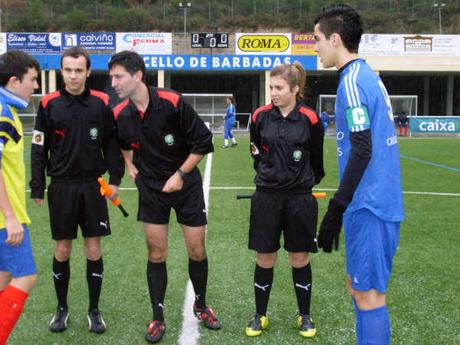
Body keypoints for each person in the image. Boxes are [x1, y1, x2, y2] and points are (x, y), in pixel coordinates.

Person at [108, 51, 221, 343]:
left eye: (118, 76)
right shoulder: (121, 114)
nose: (114, 82)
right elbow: (121, 142)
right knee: (156, 253)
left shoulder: (172, 102)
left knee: (196, 250)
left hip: (186, 185)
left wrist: (180, 175)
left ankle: (200, 304)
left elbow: (203, 142)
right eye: (111, 77)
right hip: (152, 189)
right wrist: (130, 165)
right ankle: (157, 317)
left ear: (137, 75)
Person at [313, 5, 404, 345]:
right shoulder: (367, 75)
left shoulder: (352, 81)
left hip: (369, 204)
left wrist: (336, 208)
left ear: (335, 39)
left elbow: (363, 148)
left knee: (368, 296)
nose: (316, 47)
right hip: (373, 201)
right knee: (360, 289)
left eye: (318, 39)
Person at [30, 47, 124, 334]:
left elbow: (112, 142)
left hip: (93, 186)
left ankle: (94, 310)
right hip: (61, 187)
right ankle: (61, 308)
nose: (73, 75)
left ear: (87, 72)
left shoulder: (102, 102)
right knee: (62, 248)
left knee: (93, 248)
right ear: (62, 71)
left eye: (78, 70)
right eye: (68, 70)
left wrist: (115, 179)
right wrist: (37, 184)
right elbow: (38, 147)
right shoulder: (48, 104)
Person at [246, 62, 325, 339]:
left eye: (278, 88)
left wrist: (298, 183)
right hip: (266, 197)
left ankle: (304, 315)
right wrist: (270, 174)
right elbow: (255, 150)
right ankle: (260, 315)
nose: (273, 93)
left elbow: (317, 160)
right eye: (271, 87)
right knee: (265, 256)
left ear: (294, 89)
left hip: (299, 199)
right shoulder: (259, 116)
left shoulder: (311, 119)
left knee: (299, 257)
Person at [0, 50, 39, 345]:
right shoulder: (3, 112)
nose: (35, 86)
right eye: (32, 80)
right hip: (4, 217)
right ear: (14, 81)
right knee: (25, 276)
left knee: (3, 276)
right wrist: (11, 217)